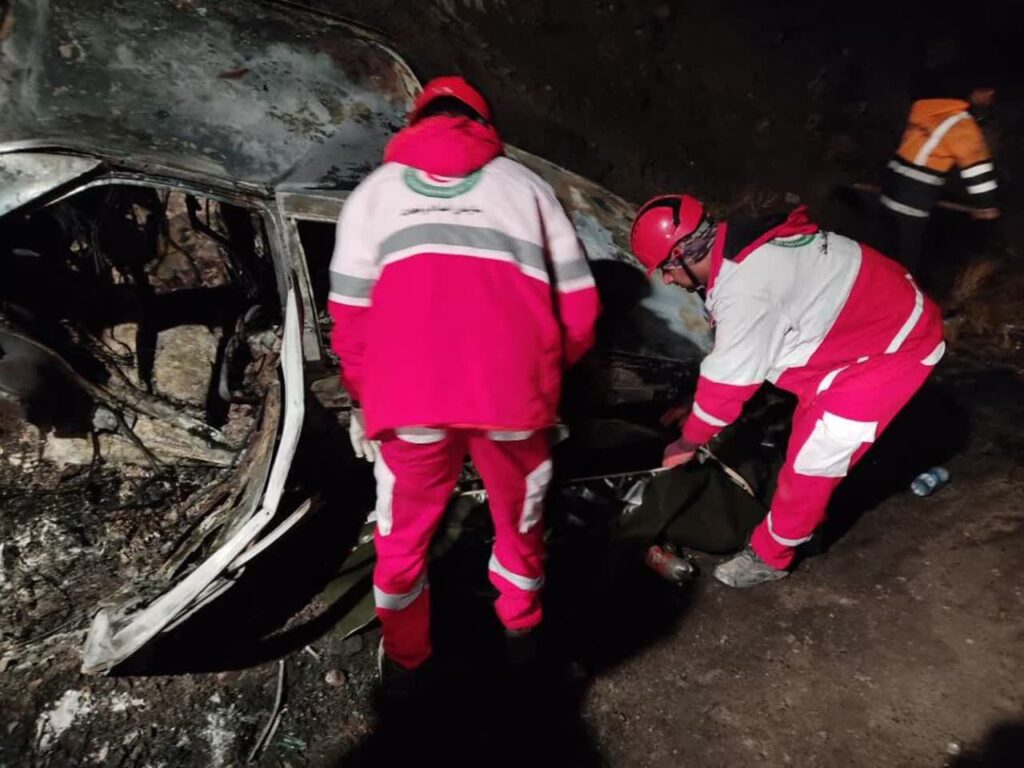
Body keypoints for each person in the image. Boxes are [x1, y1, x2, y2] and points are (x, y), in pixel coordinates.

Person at [327, 76, 600, 691]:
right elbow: (581, 309)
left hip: (409, 401)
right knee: (520, 520)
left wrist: (366, 394)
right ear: (484, 124)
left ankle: (407, 660)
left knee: (402, 536)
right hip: (512, 399)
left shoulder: (372, 194)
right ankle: (520, 631)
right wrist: (540, 374)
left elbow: (349, 317)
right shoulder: (529, 188)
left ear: (416, 121)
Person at [630, 195, 944, 587]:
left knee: (812, 462)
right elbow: (743, 353)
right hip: (864, 324)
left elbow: (728, 387)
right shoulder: (739, 243)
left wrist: (687, 442)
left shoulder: (745, 289)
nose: (666, 279)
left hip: (894, 349)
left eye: (666, 268)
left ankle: (772, 555)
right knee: (803, 437)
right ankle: (807, 520)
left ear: (684, 254)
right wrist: (696, 403)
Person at [880, 71, 999, 275]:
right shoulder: (961, 124)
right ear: (976, 92)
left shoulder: (928, 113)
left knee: (884, 255)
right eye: (989, 92)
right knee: (904, 267)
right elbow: (978, 172)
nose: (991, 96)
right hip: (912, 206)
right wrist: (987, 206)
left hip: (889, 195)